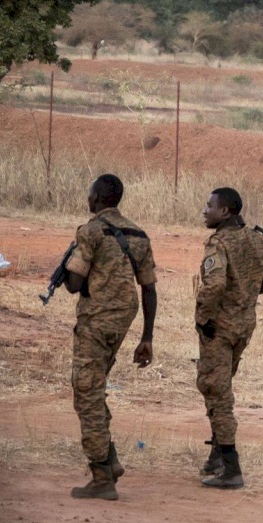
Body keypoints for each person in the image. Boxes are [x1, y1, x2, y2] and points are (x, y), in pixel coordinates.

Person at [64, 174, 158, 501]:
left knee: (86, 392)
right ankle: (111, 459)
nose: (88, 198)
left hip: (96, 320)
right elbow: (148, 287)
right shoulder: (138, 234)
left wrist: (67, 268)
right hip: (124, 317)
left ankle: (101, 475)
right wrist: (146, 337)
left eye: (90, 193)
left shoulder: (89, 231)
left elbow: (75, 284)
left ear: (97, 198)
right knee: (95, 384)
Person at [195, 187, 263, 489]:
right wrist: (245, 293)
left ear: (226, 211)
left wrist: (203, 317)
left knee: (217, 392)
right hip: (244, 325)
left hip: (219, 328)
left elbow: (215, 283)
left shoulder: (218, 243)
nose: (205, 211)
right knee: (218, 386)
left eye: (210, 206)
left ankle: (231, 468)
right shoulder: (257, 240)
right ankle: (217, 456)